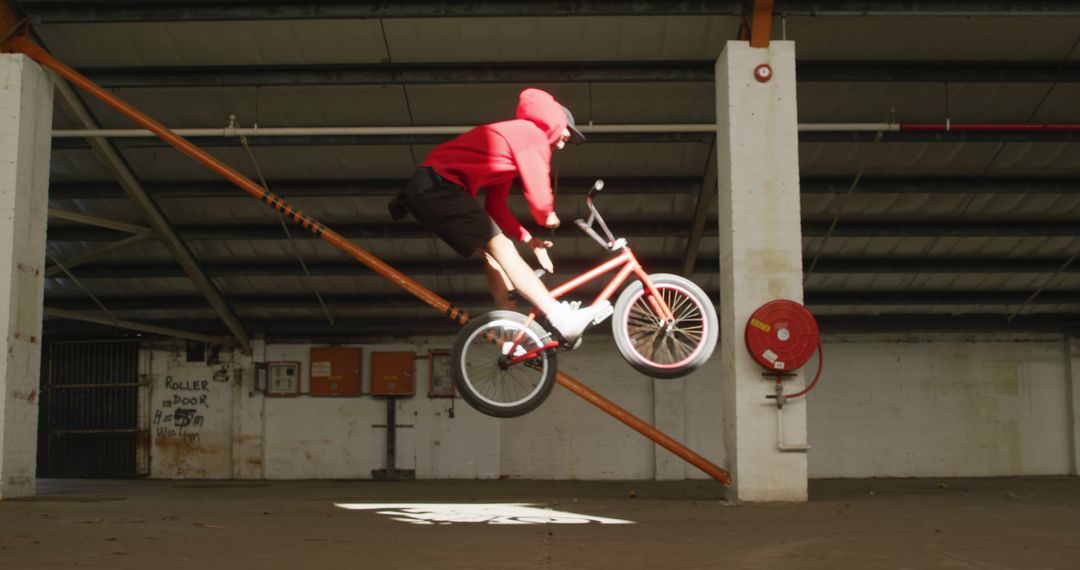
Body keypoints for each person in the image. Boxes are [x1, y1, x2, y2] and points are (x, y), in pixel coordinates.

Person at [389, 88, 609, 346]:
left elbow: (495, 206)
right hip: (439, 186)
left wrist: (528, 239)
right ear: (556, 121)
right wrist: (545, 211)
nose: (563, 144)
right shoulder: (532, 134)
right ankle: (560, 316)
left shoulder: (511, 146)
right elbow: (537, 182)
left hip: (427, 190)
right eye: (565, 135)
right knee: (501, 247)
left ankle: (512, 333)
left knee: (494, 251)